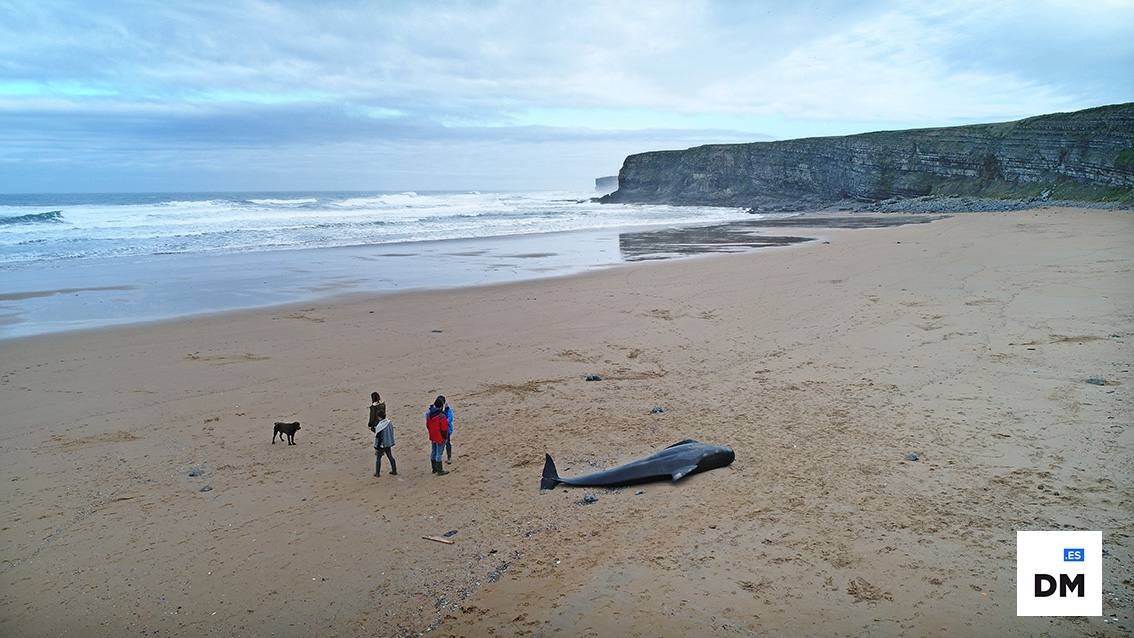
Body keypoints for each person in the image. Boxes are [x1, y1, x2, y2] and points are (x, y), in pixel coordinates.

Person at [368, 392, 397, 477]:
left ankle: (377, 473)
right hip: (388, 441)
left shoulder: (373, 407)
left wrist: (370, 425)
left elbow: (372, 419)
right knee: (390, 456)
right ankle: (394, 470)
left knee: (378, 457)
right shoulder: (383, 407)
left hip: (381, 439)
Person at [426, 395, 450, 476]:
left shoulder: (429, 413)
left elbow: (427, 425)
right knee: (439, 453)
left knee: (433, 451)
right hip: (440, 437)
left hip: (433, 436)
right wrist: (445, 437)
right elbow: (444, 429)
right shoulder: (441, 416)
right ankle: (440, 470)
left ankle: (434, 469)